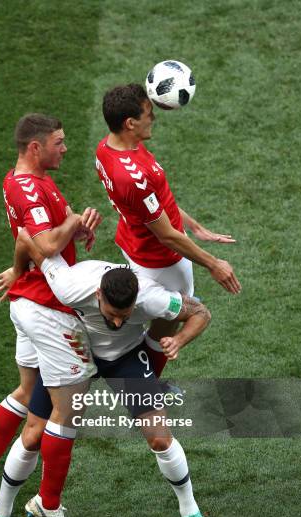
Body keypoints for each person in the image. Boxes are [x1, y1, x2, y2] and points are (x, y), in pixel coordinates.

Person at [0, 235, 214, 517]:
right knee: (31, 435)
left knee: (159, 437)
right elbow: (31, 240)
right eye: (111, 314)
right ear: (98, 294)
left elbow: (201, 312)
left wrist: (180, 340)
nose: (116, 322)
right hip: (73, 353)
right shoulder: (72, 284)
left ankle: (192, 515)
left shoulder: (153, 299)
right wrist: (21, 267)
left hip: (125, 359)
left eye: (125, 316)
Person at [0, 113, 101, 517]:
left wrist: (76, 225)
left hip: (29, 301)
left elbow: (34, 235)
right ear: (36, 147)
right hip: (47, 310)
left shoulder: (26, 181)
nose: (65, 148)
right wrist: (70, 225)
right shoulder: (26, 190)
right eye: (59, 141)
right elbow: (45, 241)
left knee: (26, 390)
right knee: (68, 408)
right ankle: (48, 504)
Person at [95, 83, 241, 376]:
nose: (154, 117)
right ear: (130, 122)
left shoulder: (108, 147)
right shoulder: (132, 177)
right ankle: (143, 385)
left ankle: (136, 371)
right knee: (168, 323)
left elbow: (158, 202)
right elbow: (166, 235)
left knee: (154, 317)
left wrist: (195, 227)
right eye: (148, 113)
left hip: (133, 240)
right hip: (161, 259)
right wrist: (214, 264)